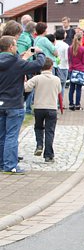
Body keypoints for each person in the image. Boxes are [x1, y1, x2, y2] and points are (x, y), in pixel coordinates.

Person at [0, 36, 45, 174]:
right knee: (11, 136)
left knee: (1, 136)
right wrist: (40, 52)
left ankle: (1, 163)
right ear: (11, 47)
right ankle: (10, 166)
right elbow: (39, 65)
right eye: (15, 45)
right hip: (14, 104)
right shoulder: (17, 62)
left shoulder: (14, 61)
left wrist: (24, 55)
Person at [24, 58, 62, 162]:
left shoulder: (37, 78)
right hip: (52, 108)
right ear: (51, 67)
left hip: (39, 107)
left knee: (38, 127)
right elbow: (59, 90)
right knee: (50, 131)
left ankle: (39, 144)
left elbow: (26, 88)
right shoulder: (56, 79)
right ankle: (48, 155)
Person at [67, 33, 84, 110]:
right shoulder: (83, 49)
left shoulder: (70, 48)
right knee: (78, 89)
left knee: (71, 88)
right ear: (81, 39)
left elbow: (69, 59)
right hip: (80, 70)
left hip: (72, 69)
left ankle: (71, 104)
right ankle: (77, 104)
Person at [54, 28, 69, 104]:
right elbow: (67, 58)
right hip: (63, 66)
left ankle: (54, 102)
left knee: (54, 86)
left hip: (54, 66)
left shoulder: (53, 44)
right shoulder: (65, 45)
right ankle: (60, 103)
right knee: (62, 86)